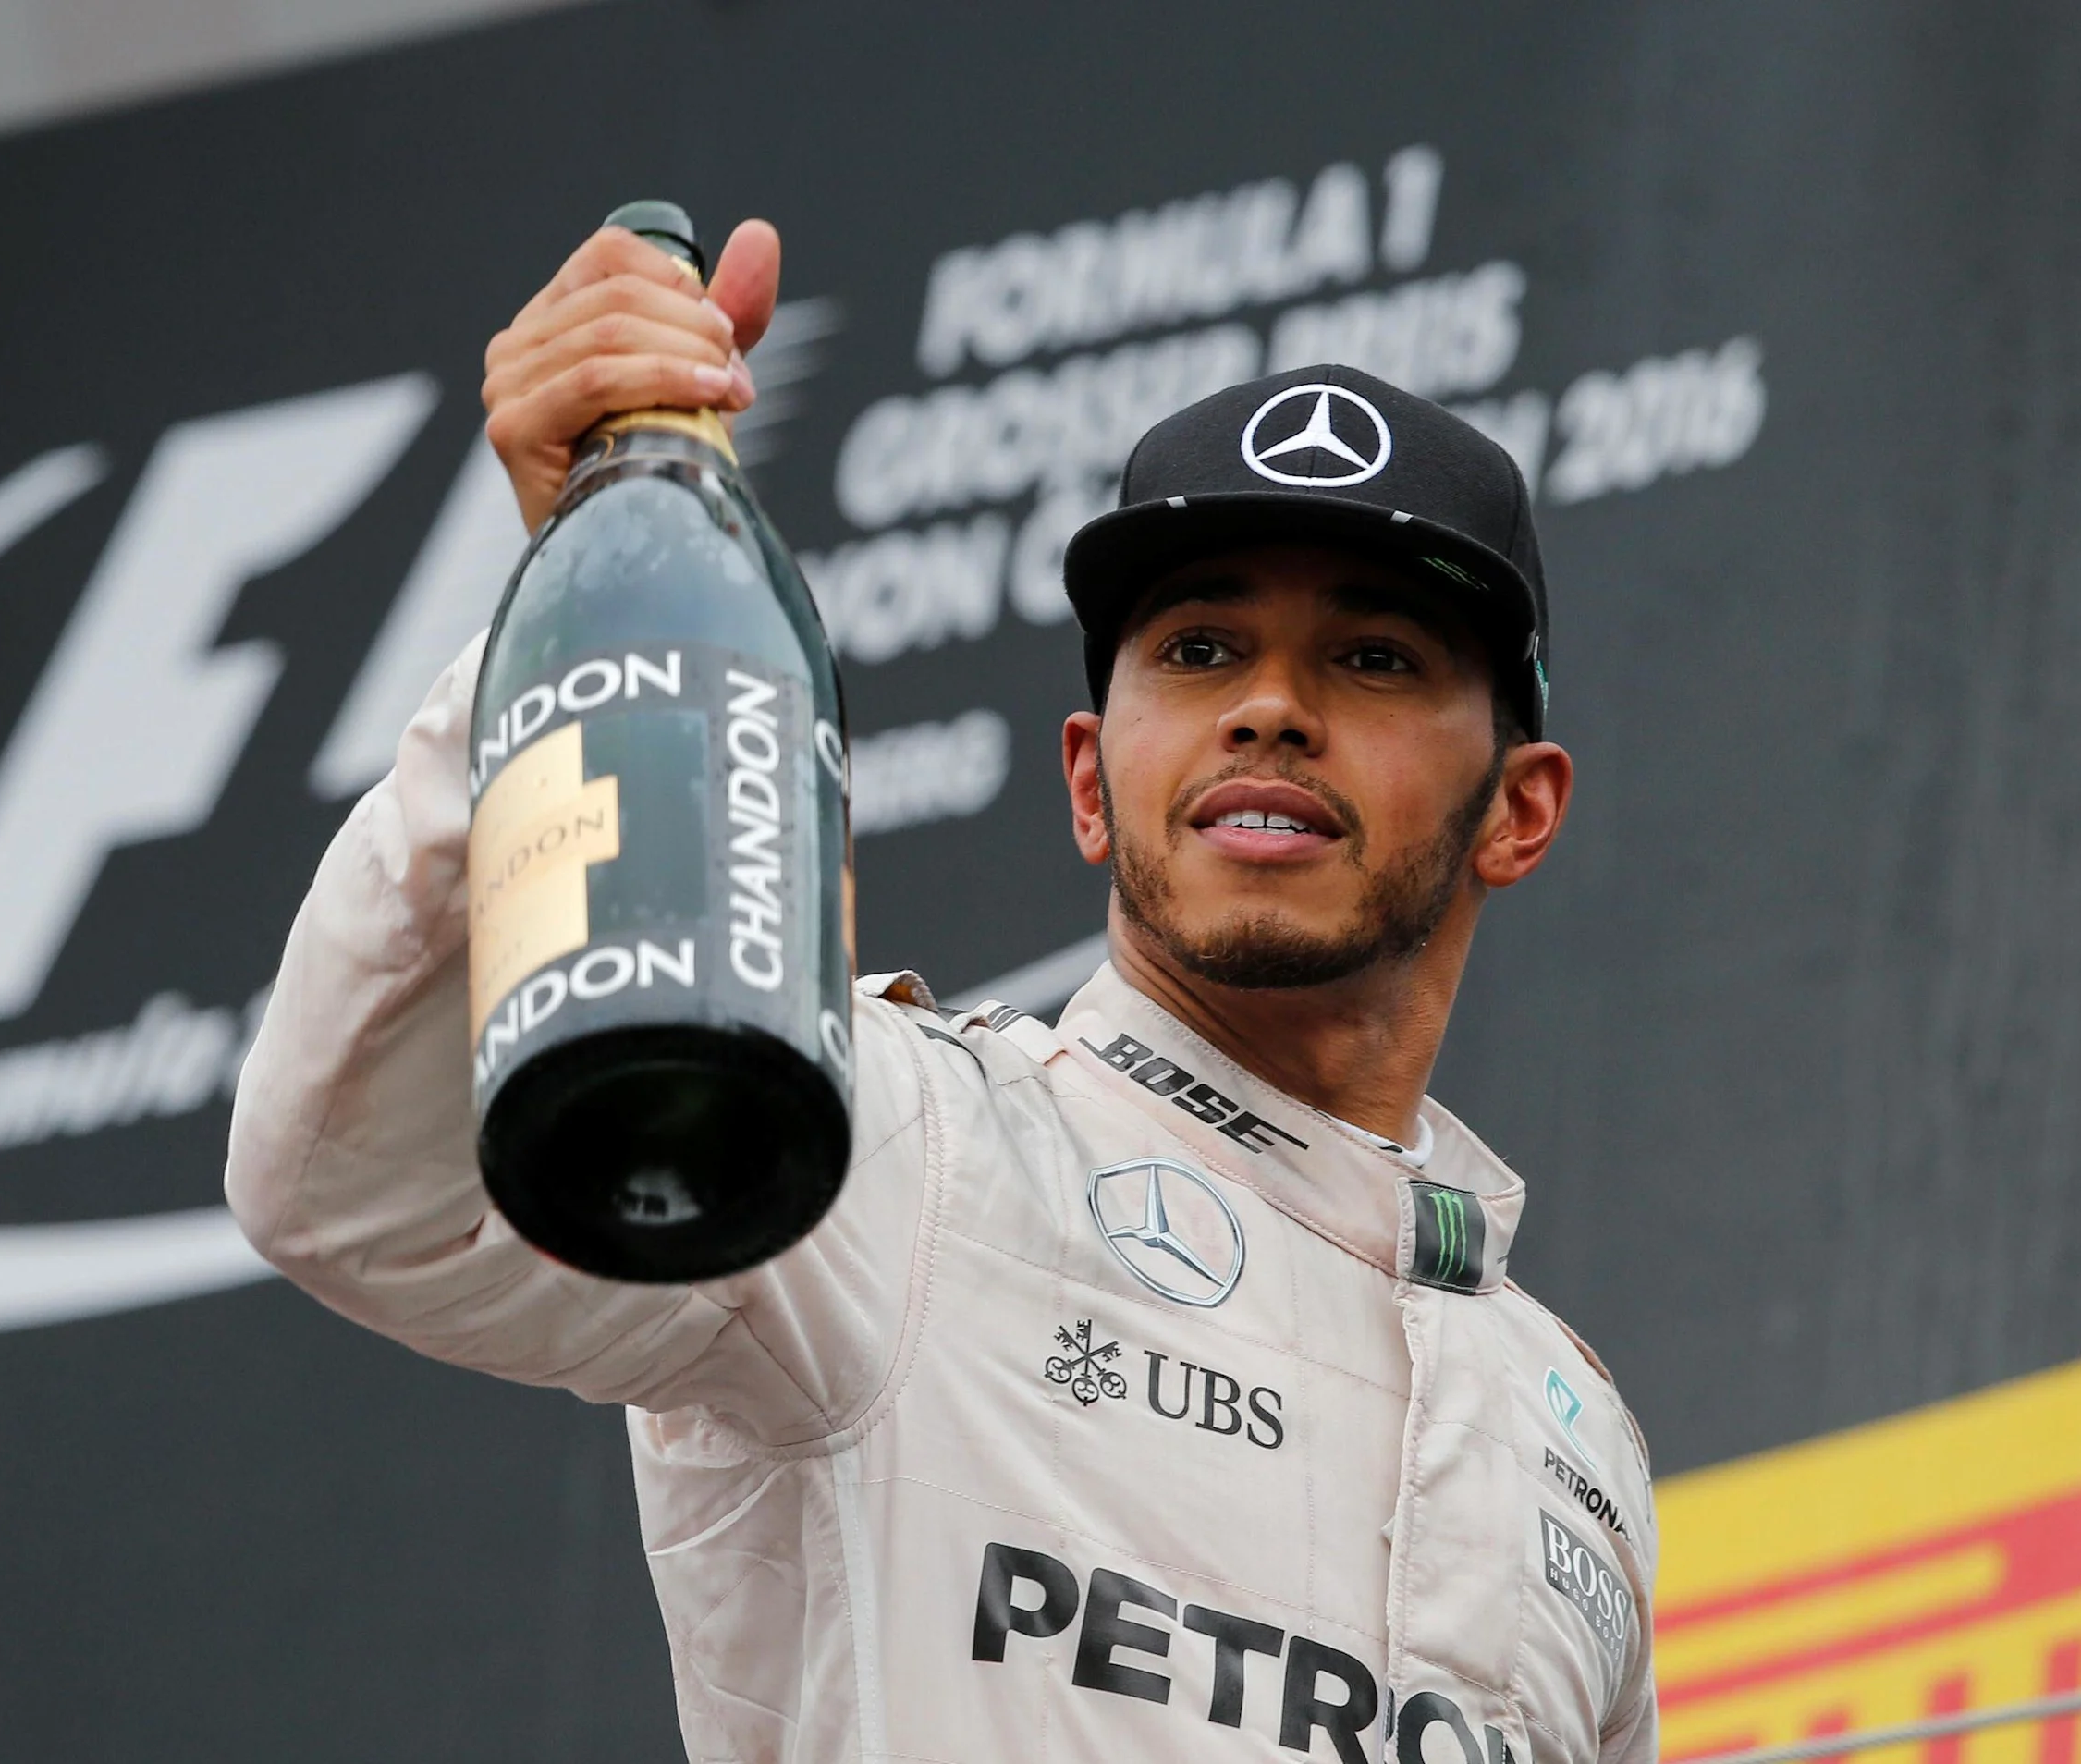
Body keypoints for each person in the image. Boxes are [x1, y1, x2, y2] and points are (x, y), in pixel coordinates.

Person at [227, 217, 1658, 1764]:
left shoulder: (1571, 1434)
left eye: (1375, 660)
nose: (1268, 707)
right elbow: (348, 1190)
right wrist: (582, 595)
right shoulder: (902, 1151)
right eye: (1197, 646)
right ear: (1092, 784)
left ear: (1521, 808)